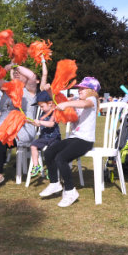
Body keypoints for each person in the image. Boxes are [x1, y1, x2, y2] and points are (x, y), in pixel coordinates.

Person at [37, 77, 101, 207]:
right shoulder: (78, 101)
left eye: (83, 88)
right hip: (74, 138)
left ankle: (70, 191)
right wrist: (49, 90)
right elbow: (58, 99)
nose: (79, 90)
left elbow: (84, 104)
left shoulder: (91, 100)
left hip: (85, 140)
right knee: (49, 152)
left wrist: (67, 104)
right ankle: (55, 183)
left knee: (61, 158)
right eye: (79, 88)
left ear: (92, 90)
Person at [27, 90, 62, 179]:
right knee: (33, 146)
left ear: (50, 103)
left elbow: (51, 124)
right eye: (39, 106)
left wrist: (40, 122)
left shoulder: (54, 113)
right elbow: (38, 124)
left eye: (42, 106)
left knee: (51, 151)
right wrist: (31, 122)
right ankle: (36, 165)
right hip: (44, 138)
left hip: (54, 138)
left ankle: (51, 168)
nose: (41, 108)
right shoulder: (42, 113)